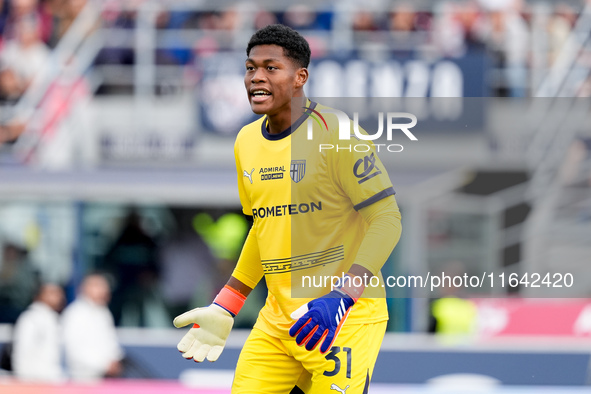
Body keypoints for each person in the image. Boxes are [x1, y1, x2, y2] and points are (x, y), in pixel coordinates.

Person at [173, 24, 402, 393]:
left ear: (300, 77)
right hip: (277, 324)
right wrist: (227, 304)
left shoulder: (337, 133)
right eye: (250, 68)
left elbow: (387, 219)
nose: (256, 77)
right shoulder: (246, 141)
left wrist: (344, 297)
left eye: (270, 67)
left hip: (345, 320)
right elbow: (264, 229)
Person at [61, 273, 124, 381]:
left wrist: (114, 360)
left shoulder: (103, 312)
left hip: (106, 378)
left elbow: (110, 341)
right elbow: (74, 350)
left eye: (104, 286)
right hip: (82, 379)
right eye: (98, 286)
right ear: (85, 288)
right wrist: (103, 365)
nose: (103, 290)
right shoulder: (75, 313)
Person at [12, 283, 65, 382]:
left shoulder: (53, 318)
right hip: (35, 381)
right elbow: (22, 352)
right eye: (52, 293)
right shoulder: (31, 318)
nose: (58, 297)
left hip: (52, 380)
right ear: (39, 295)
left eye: (59, 293)